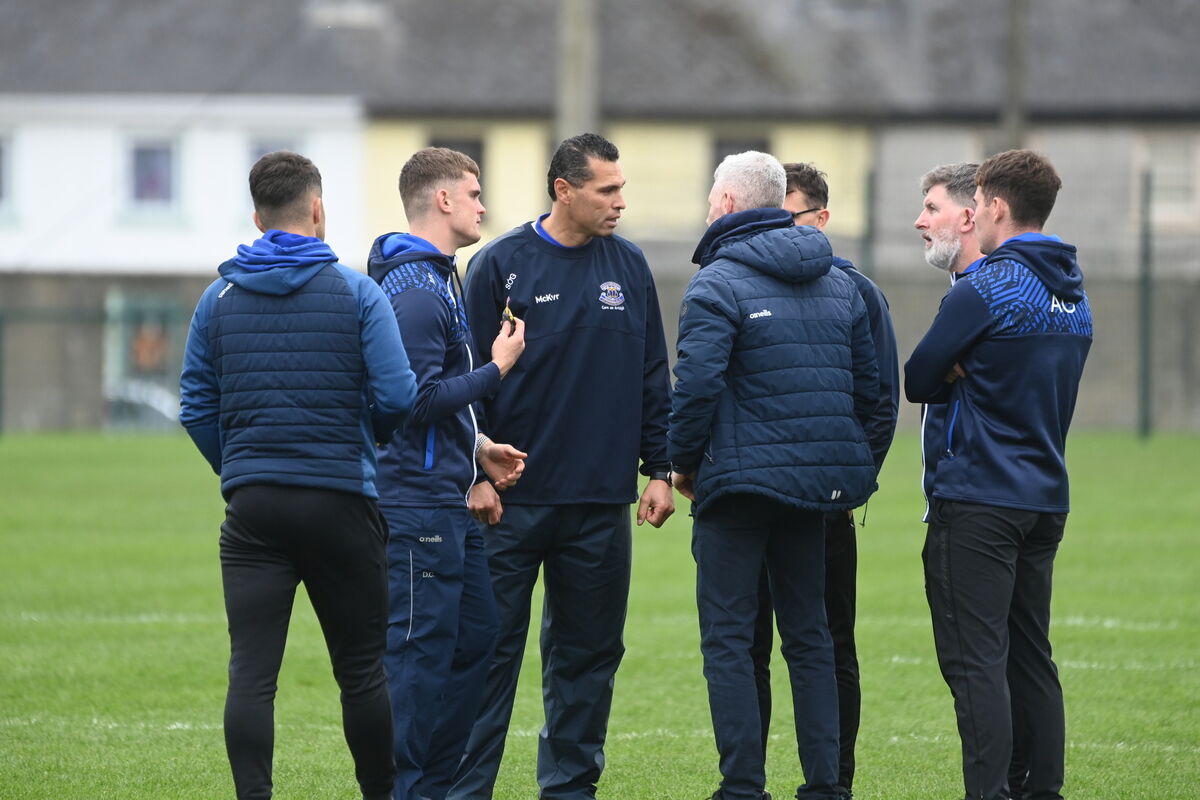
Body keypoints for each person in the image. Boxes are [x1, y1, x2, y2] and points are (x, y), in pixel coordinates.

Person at [179, 150, 418, 800]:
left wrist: (239, 469)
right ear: (318, 210)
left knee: (251, 673)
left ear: (257, 217)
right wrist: (361, 447)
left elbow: (195, 406)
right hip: (341, 501)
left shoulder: (218, 296)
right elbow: (399, 397)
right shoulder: (356, 291)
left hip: (254, 512)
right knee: (363, 672)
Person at [448, 132, 675, 800]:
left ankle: (570, 791)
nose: (620, 202)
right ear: (564, 190)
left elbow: (653, 377)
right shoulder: (499, 266)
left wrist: (659, 468)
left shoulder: (630, 268)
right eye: (607, 190)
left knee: (588, 664)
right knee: (485, 660)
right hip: (508, 506)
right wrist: (473, 472)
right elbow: (459, 379)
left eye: (622, 188)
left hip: (600, 507)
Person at [669, 151, 886, 800]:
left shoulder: (714, 284)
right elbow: (869, 388)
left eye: (713, 196)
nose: (708, 207)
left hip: (735, 491)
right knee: (811, 638)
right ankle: (826, 786)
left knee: (730, 642)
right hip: (814, 493)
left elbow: (697, 389)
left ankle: (742, 787)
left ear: (731, 205)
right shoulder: (841, 282)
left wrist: (682, 465)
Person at [904, 150, 1092, 800]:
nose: (971, 216)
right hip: (1045, 497)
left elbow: (918, 377)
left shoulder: (987, 286)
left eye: (976, 204)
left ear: (996, 208)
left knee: (976, 663)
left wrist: (962, 368)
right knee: (1031, 658)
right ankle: (1043, 792)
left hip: (979, 498)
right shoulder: (1074, 290)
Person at [367, 147, 528, 800]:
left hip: (447, 501)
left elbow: (432, 397)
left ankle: (431, 788)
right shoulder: (411, 289)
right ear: (442, 200)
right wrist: (497, 369)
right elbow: (409, 400)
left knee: (475, 639)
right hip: (414, 510)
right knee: (415, 665)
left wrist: (478, 447)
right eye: (474, 192)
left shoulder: (439, 277)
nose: (484, 205)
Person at [746, 162, 898, 798]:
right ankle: (745, 779)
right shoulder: (735, 281)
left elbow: (881, 401)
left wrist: (847, 482)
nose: (782, 231)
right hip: (749, 502)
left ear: (823, 220)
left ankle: (836, 781)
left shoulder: (856, 291)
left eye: (795, 216)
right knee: (745, 647)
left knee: (830, 643)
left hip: (825, 508)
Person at [913, 163, 984, 521]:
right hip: (956, 497)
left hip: (973, 501)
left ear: (968, 218)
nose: (919, 222)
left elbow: (917, 377)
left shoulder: (987, 294)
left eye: (932, 208)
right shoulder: (961, 290)